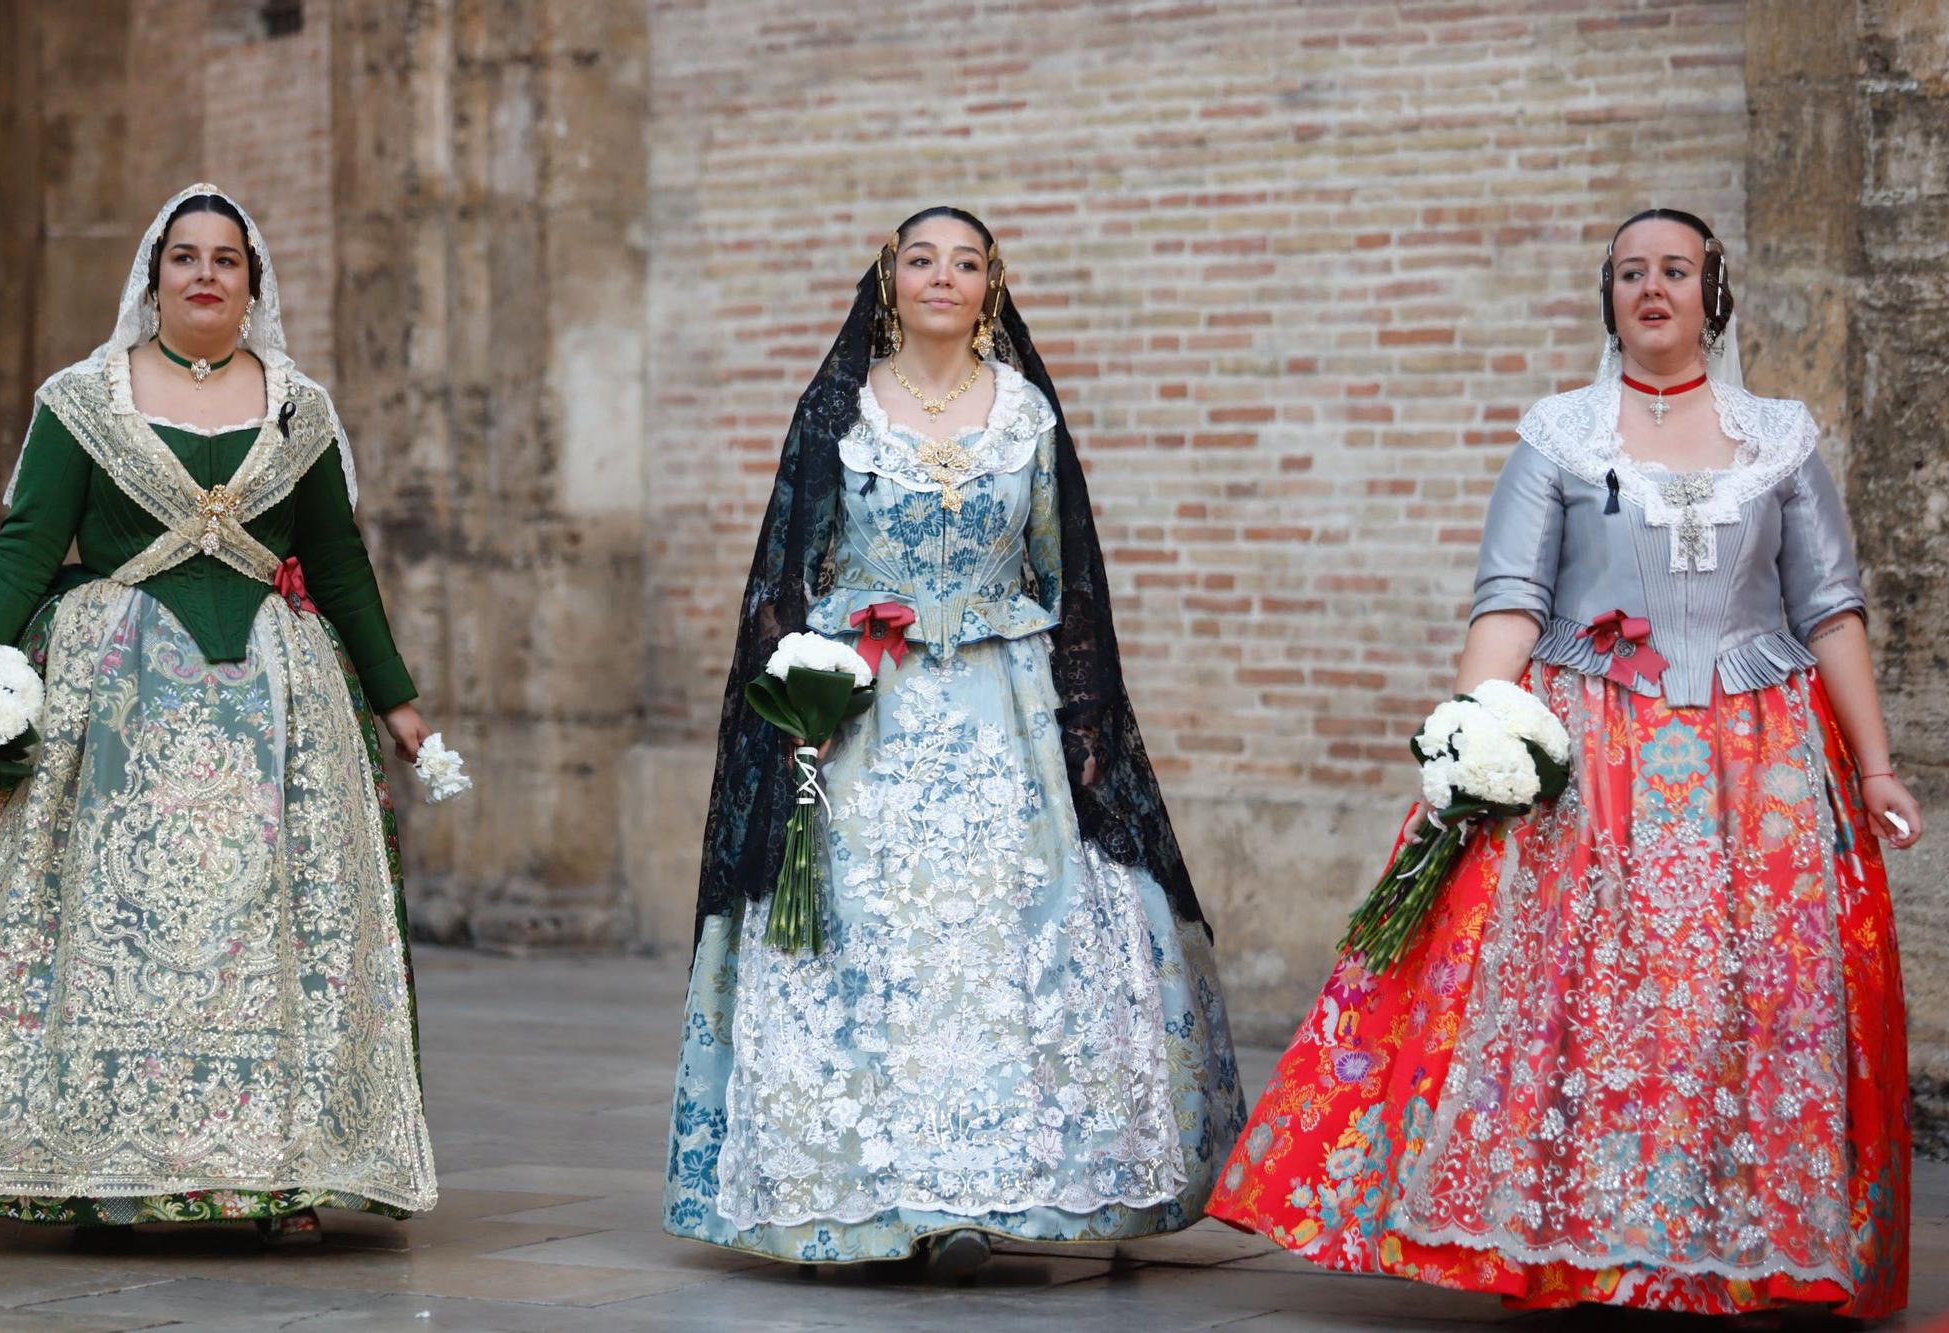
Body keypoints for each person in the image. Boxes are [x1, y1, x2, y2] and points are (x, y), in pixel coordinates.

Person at [1208, 208, 1916, 1318]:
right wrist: (1467, 741)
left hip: (1758, 765)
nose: (1651, 289)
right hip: (1594, 753)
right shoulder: (1558, 437)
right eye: (1629, 272)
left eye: (1673, 270)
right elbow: (1510, 601)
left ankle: (1724, 1242)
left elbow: (1827, 609)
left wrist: (1872, 768)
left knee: (1738, 1002)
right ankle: (1583, 1247)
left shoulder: (1778, 437)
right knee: (1587, 998)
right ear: (1608, 298)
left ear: (1710, 294)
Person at [664, 207, 1244, 1274]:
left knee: (1016, 928)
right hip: (868, 710)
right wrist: (796, 704)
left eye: (964, 262)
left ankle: (1001, 1187)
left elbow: (1065, 580)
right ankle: (874, 1193)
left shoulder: (1023, 413)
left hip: (1002, 711)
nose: (942, 276)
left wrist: (1084, 730)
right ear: (890, 280)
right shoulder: (839, 409)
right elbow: (785, 573)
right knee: (871, 932)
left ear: (990, 284)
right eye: (920, 260)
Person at [0, 184, 437, 1242]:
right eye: (185, 257)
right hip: (119, 697)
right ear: (154, 275)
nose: (205, 274)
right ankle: (101, 1166)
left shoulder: (298, 405)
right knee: (123, 919)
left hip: (276, 697)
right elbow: (28, 546)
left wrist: (396, 698)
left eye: (226, 259)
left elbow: (340, 563)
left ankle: (282, 1172)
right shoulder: (84, 399)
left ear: (252, 283)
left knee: (274, 928)